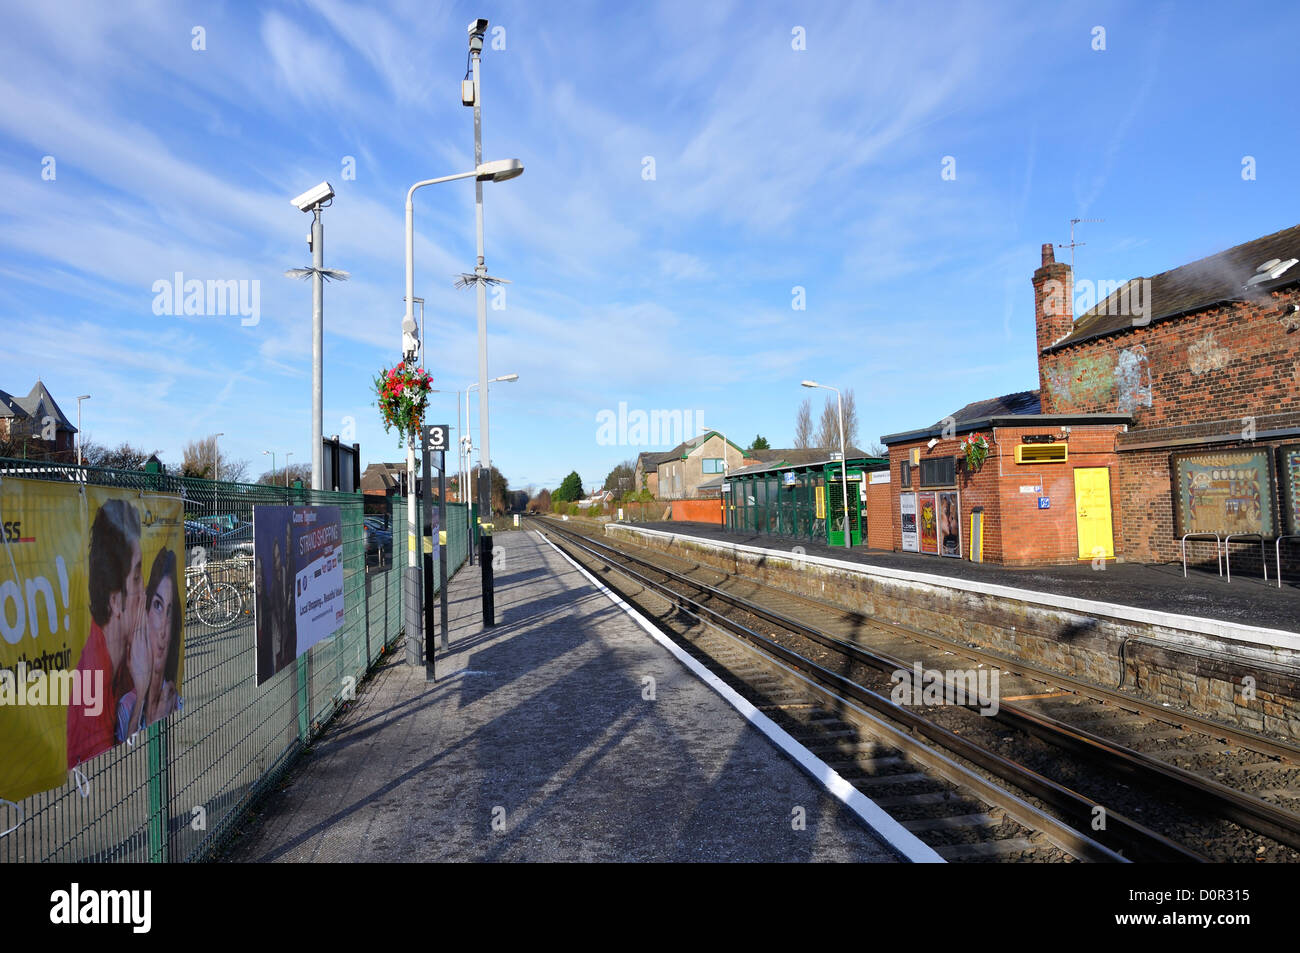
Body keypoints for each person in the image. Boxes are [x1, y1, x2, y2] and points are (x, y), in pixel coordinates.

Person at [68, 499, 148, 768]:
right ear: (115, 601)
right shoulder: (93, 690)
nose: (145, 594)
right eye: (137, 579)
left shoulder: (123, 659)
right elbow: (107, 772)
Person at [116, 549, 183, 741]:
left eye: (169, 611)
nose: (163, 628)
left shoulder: (176, 700)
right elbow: (125, 763)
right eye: (158, 605)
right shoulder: (126, 707)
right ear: (145, 614)